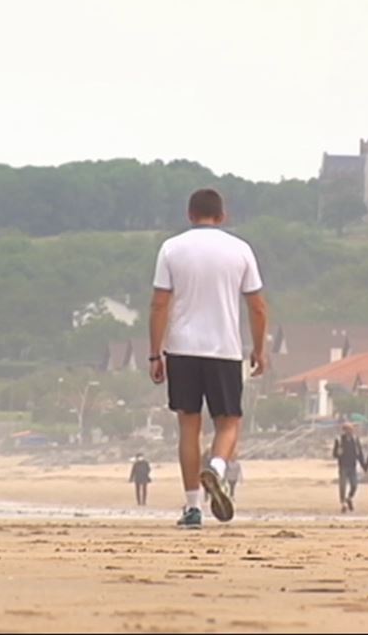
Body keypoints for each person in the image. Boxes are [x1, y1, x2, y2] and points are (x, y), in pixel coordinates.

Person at [149, 188, 268, 530]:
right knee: (228, 421)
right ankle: (215, 468)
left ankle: (192, 508)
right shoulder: (240, 250)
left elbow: (159, 303)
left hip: (182, 348)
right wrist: (259, 349)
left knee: (189, 426)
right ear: (222, 216)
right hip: (224, 350)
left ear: (189, 215)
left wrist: (155, 353)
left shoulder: (172, 248)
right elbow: (257, 306)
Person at [332, 422, 366, 513]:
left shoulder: (355, 440)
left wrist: (364, 465)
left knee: (354, 485)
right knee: (342, 486)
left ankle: (349, 498)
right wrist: (338, 453)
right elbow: (334, 454)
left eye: (351, 429)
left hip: (353, 466)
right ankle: (343, 503)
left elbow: (359, 454)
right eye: (347, 429)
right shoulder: (339, 440)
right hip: (343, 466)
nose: (350, 431)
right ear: (344, 430)